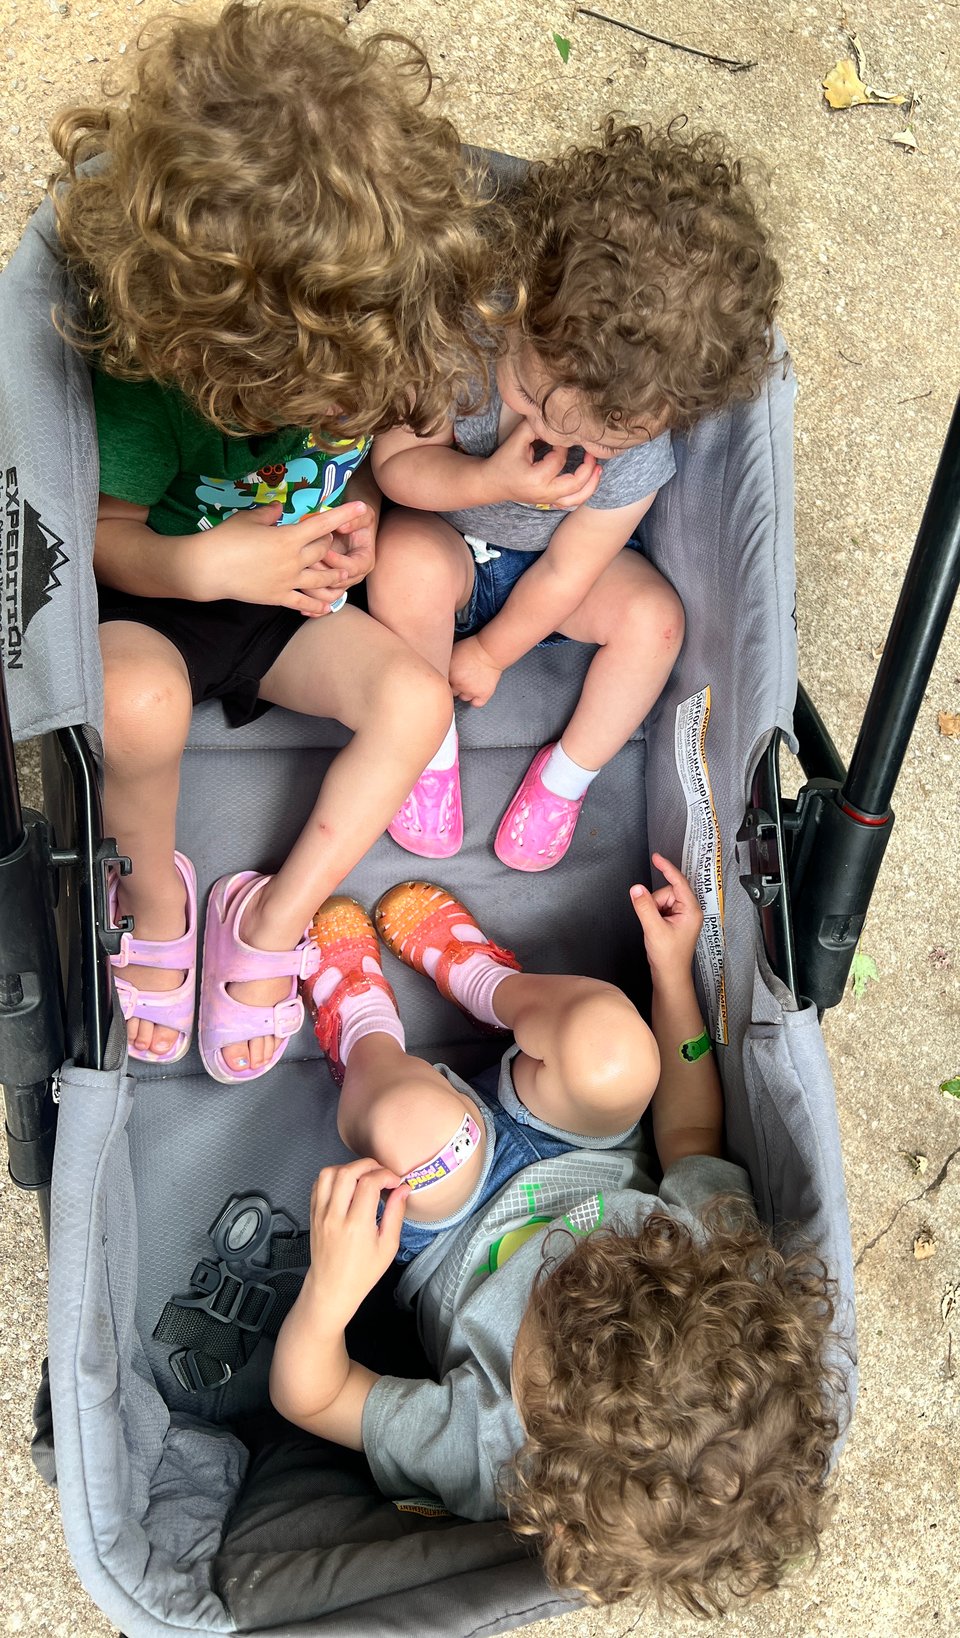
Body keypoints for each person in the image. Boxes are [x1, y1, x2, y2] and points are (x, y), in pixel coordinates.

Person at [50, 0, 511, 1079]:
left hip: (288, 599)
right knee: (134, 703)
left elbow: (347, 483)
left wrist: (350, 533)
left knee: (415, 700)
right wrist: (205, 562)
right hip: (154, 597)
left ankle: (269, 921)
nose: (333, 410)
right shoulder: (145, 373)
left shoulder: (375, 328)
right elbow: (103, 537)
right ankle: (155, 890)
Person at [270, 856, 843, 1612]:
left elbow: (311, 1397)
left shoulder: (498, 1453)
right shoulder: (723, 1282)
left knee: (420, 1131)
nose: (558, 1264)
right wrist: (673, 978)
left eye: (540, 1316)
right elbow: (693, 1129)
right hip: (582, 1142)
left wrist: (332, 1292)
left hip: (449, 1226)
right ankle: (485, 982)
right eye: (603, 1263)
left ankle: (365, 1033)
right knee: (617, 1049)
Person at [367, 121, 782, 869]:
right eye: (527, 395)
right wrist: (487, 479)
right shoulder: (466, 345)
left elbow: (570, 572)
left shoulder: (638, 445)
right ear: (519, 306)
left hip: (559, 577)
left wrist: (494, 653)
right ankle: (426, 745)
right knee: (401, 559)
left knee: (655, 621)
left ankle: (568, 775)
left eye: (601, 438)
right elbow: (395, 466)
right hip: (450, 537)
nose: (551, 432)